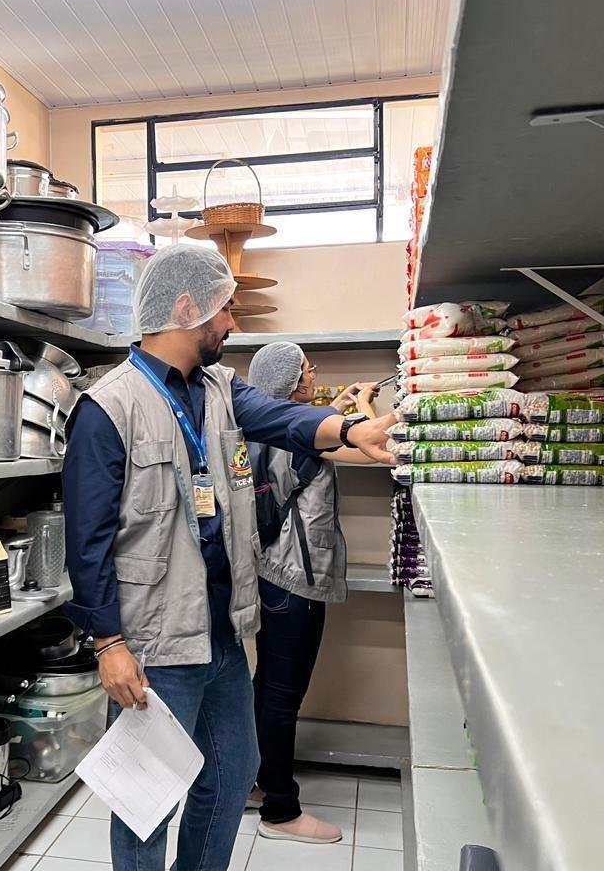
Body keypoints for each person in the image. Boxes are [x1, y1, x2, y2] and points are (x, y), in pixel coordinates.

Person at [62, 244, 398, 871]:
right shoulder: (109, 407)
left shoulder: (218, 386)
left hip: (221, 634)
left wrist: (349, 430)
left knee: (230, 772)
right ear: (187, 308)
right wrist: (108, 645)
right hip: (153, 648)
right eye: (225, 310)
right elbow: (87, 544)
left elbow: (279, 419)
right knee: (147, 803)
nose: (233, 323)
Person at [244, 342, 384, 844]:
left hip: (270, 576)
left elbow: (311, 430)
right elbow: (369, 446)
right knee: (283, 697)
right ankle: (280, 811)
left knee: (266, 689)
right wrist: (366, 408)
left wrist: (341, 408)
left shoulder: (264, 429)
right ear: (289, 382)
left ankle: (258, 783)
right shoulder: (302, 432)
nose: (314, 372)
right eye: (307, 369)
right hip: (295, 582)